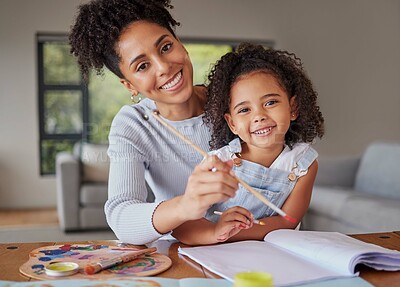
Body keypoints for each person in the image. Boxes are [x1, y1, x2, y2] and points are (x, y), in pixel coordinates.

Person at [69, 0, 238, 245]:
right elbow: (121, 216)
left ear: (180, 44)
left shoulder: (234, 101)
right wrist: (185, 205)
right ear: (129, 85)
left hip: (257, 242)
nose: (163, 67)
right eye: (142, 66)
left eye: (166, 47)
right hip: (188, 253)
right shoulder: (134, 125)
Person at [173, 43, 325, 244]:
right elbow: (181, 228)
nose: (259, 116)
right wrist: (217, 231)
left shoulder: (303, 164)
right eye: (244, 110)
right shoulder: (219, 163)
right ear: (233, 124)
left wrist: (234, 232)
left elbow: (287, 221)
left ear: (293, 108)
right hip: (215, 256)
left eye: (270, 103)